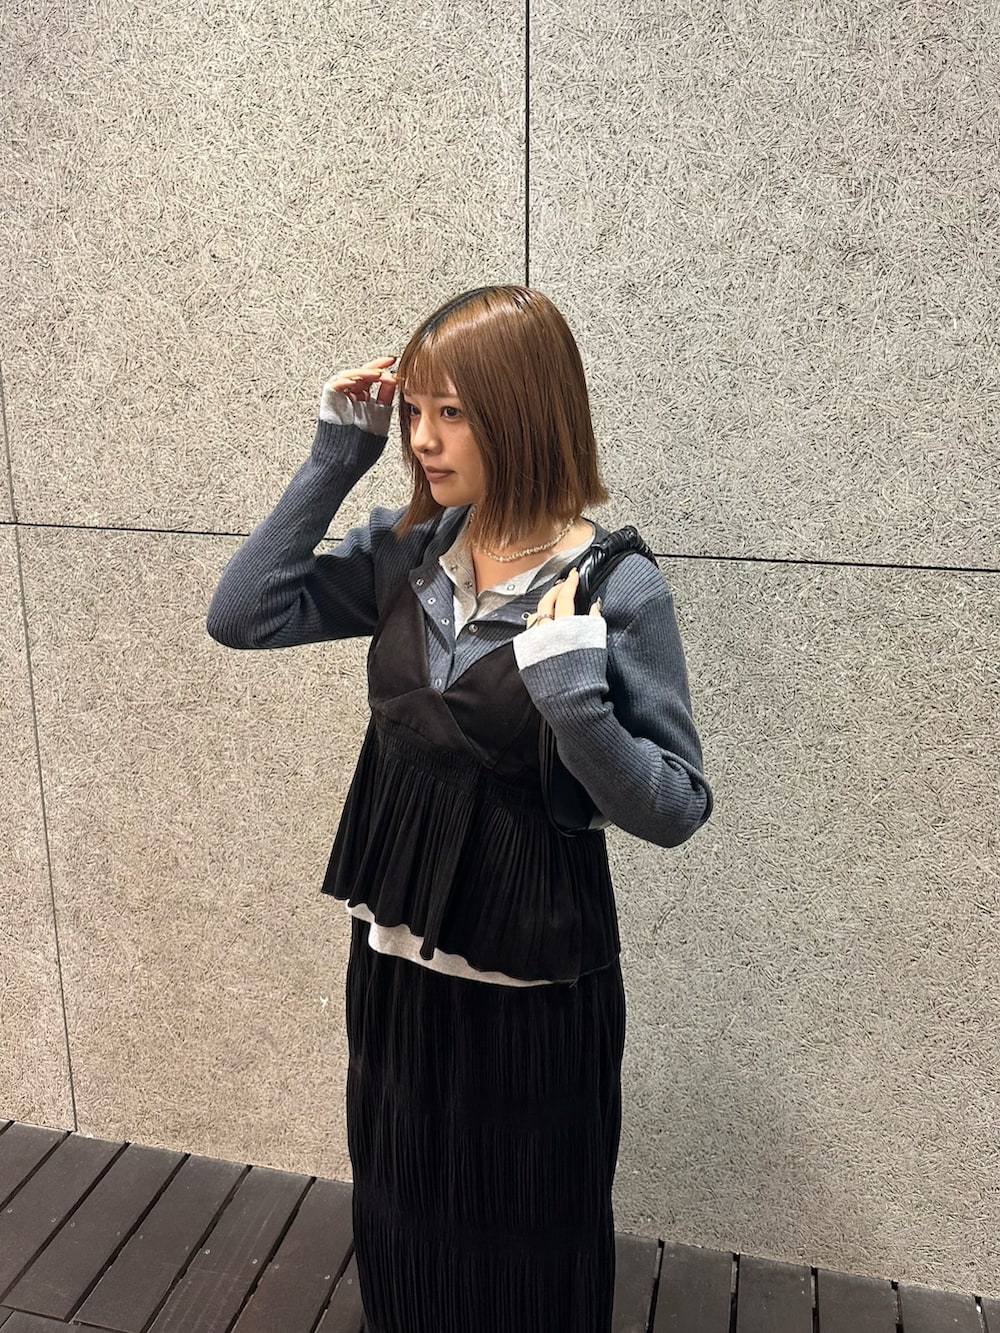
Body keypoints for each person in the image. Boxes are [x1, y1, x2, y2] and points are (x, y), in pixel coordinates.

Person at [206, 285, 712, 1333]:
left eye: (453, 412)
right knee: (403, 1223)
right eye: (413, 411)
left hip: (531, 994)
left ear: (523, 413)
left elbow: (674, 805)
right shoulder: (411, 549)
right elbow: (243, 614)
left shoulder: (615, 587)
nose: (423, 440)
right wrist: (334, 458)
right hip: (395, 970)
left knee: (524, 1246)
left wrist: (576, 702)